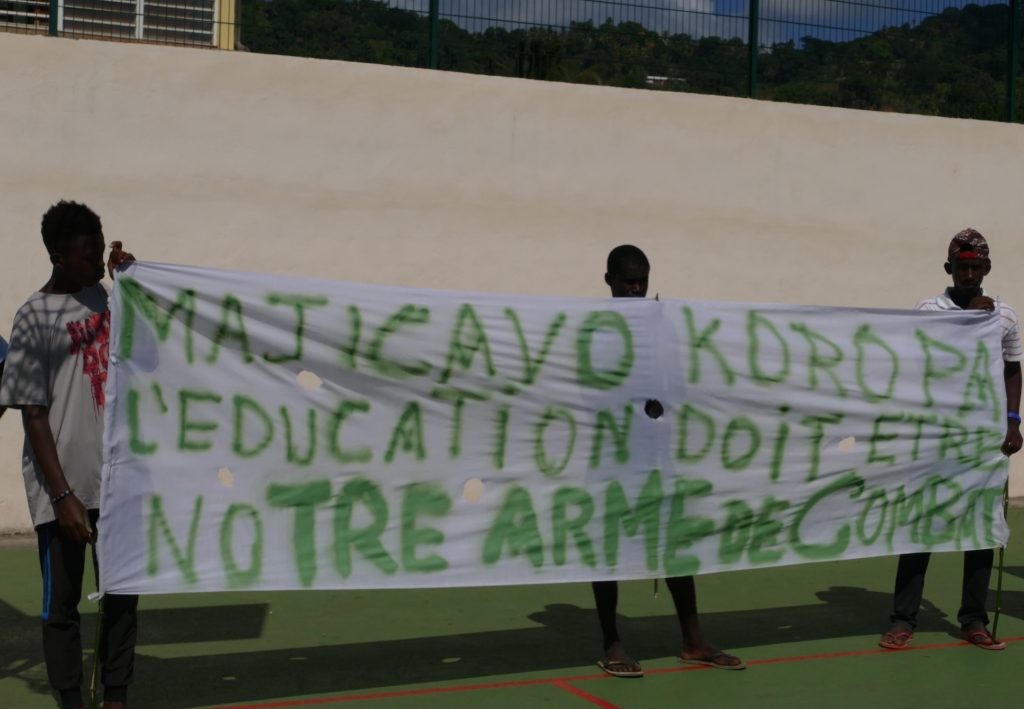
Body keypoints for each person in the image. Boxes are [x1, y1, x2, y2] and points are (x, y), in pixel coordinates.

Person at [0, 201, 138, 709]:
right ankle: (70, 699)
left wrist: (131, 281)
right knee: (62, 604)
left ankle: (116, 696)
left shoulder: (106, 299)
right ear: (58, 257)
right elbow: (33, 414)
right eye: (87, 254)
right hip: (62, 493)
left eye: (99, 250)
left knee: (122, 596)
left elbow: (146, 343)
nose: (96, 260)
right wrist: (62, 497)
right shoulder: (33, 318)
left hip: (116, 485)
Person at [593, 244, 745, 677]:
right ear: (609, 281)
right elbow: (588, 388)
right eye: (628, 281)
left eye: (642, 281)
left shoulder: (661, 327)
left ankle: (693, 641)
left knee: (676, 546)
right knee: (606, 551)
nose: (636, 288)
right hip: (610, 458)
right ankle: (612, 643)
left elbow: (676, 383)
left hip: (657, 455)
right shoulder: (595, 329)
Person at [879, 228, 1022, 651]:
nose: (969, 275)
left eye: (976, 267)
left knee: (979, 528)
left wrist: (1013, 421)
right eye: (962, 267)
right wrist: (967, 320)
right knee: (920, 526)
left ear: (987, 268)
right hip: (934, 436)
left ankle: (973, 620)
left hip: (982, 438)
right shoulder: (929, 309)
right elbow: (924, 355)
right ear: (949, 268)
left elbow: (1012, 368)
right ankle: (903, 619)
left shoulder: (1006, 314)